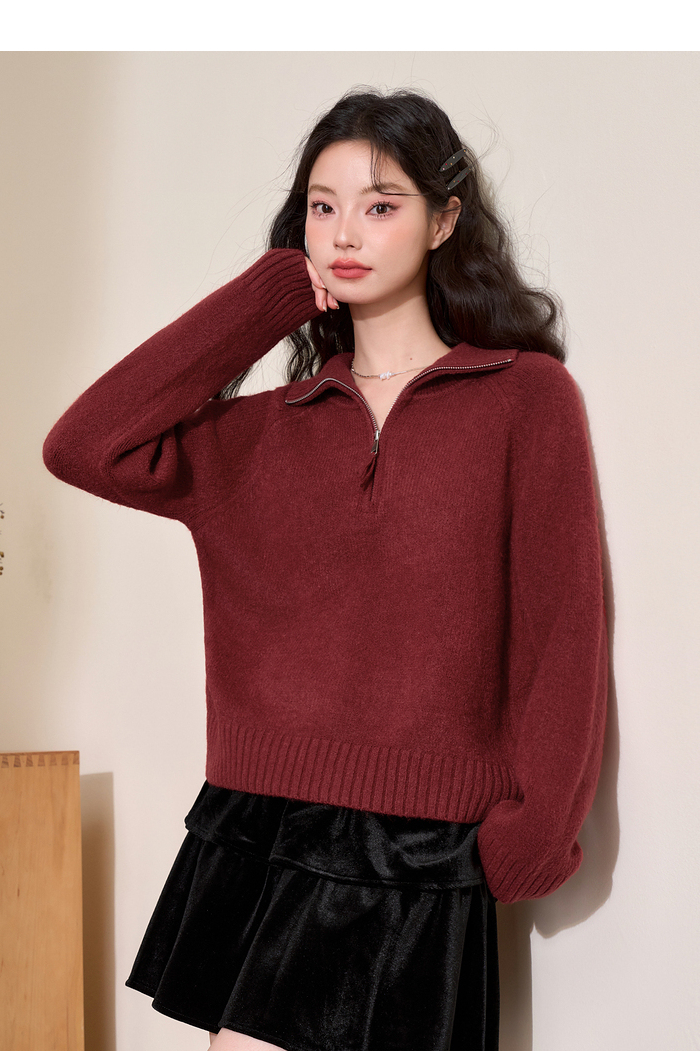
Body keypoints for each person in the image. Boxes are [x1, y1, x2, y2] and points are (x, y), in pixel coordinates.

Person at [43, 87, 608, 1051]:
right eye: (322, 205)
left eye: (381, 204)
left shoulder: (527, 401)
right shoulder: (264, 431)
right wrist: (264, 300)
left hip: (422, 844)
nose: (346, 231)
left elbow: (564, 629)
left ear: (444, 220)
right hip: (260, 830)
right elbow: (83, 445)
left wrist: (537, 825)